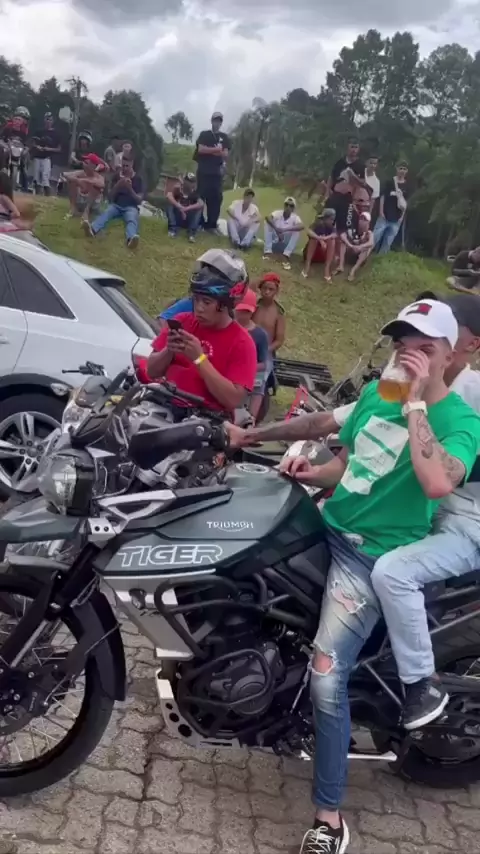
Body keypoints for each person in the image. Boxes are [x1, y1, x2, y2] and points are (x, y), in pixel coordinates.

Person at [227, 296, 480, 853]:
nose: (407, 356)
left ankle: (329, 820)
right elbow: (351, 465)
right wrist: (310, 469)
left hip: (371, 555)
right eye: (401, 345)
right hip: (327, 526)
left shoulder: (461, 421)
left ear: (449, 356)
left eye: (423, 348)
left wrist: (415, 403)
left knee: (327, 674)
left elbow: (438, 481)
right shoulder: (377, 396)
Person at [146, 255, 257, 414]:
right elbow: (151, 372)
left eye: (206, 302)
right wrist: (168, 351)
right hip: (164, 407)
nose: (199, 308)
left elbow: (234, 400)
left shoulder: (242, 343)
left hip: (204, 419)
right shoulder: (182, 321)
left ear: (226, 304)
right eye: (196, 299)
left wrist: (199, 359)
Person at [156, 249, 248, 326]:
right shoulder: (192, 304)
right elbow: (163, 320)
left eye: (207, 302)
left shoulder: (236, 333)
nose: (199, 308)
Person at [83, 155, 142, 248]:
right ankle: (92, 229)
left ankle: (131, 239)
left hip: (131, 207)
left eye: (127, 166)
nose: (124, 168)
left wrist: (130, 189)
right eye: (123, 166)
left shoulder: (138, 179)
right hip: (116, 205)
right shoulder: (116, 176)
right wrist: (118, 185)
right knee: (106, 213)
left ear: (132, 164)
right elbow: (110, 196)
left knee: (131, 219)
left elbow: (139, 200)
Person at [234, 288, 270, 420]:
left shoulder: (260, 335)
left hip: (251, 372)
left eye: (246, 312)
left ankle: (251, 419)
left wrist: (246, 368)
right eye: (240, 311)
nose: (242, 315)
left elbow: (263, 364)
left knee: (258, 384)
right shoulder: (228, 328)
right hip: (230, 372)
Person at [194, 111, 230, 233]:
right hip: (204, 171)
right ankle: (198, 222)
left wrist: (211, 151)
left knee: (216, 199)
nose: (217, 123)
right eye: (215, 120)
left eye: (219, 121)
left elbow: (225, 154)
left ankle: (211, 225)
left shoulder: (224, 137)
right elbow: (200, 149)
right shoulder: (205, 134)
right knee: (200, 196)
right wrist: (216, 150)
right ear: (211, 121)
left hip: (216, 173)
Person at [324, 138, 366, 233]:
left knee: (344, 225)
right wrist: (327, 193)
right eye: (352, 147)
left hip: (348, 198)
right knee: (328, 221)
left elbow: (363, 183)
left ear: (358, 149)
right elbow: (332, 177)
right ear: (347, 147)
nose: (354, 150)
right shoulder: (340, 162)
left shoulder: (360, 165)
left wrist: (353, 175)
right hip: (335, 195)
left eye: (356, 147)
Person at [374, 161, 409, 254]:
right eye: (400, 168)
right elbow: (383, 196)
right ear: (396, 169)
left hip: (397, 218)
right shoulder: (390, 182)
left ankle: (381, 257)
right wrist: (381, 211)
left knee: (388, 241)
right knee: (375, 236)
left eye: (404, 169)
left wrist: (401, 217)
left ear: (407, 171)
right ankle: (365, 254)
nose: (402, 171)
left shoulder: (407, 186)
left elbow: (405, 203)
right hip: (385, 214)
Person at [263, 197, 304, 271]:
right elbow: (268, 217)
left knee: (297, 231)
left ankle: (286, 255)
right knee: (267, 223)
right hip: (275, 240)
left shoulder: (295, 217)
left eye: (291, 206)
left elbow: (302, 226)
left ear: (293, 208)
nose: (288, 207)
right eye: (286, 205)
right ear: (284, 205)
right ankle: (267, 251)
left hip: (285, 242)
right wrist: (277, 230)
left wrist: (284, 230)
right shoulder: (278, 213)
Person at [64, 153, 105, 221]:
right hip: (81, 201)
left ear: (93, 165)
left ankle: (86, 212)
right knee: (72, 181)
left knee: (96, 187)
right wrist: (78, 181)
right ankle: (73, 209)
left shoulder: (99, 176)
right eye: (84, 162)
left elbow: (102, 184)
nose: (83, 164)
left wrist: (85, 181)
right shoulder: (81, 173)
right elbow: (65, 174)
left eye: (86, 163)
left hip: (93, 206)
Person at [30, 112, 61, 196]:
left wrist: (49, 149)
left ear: (53, 121)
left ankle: (47, 194)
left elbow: (59, 149)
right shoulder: (39, 131)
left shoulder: (56, 134)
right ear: (44, 120)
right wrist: (37, 147)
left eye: (50, 120)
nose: (48, 121)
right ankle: (37, 193)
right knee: (36, 177)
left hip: (47, 158)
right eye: (47, 119)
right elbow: (32, 143)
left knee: (45, 176)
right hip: (37, 156)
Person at [166, 173, 204, 242]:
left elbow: (201, 203)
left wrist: (186, 208)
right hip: (178, 217)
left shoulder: (194, 193)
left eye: (191, 183)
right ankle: (172, 230)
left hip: (188, 218)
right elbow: (169, 195)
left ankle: (191, 233)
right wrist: (179, 207)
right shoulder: (177, 188)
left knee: (199, 209)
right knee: (170, 204)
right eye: (188, 182)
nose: (189, 184)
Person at [337, 210, 374, 281]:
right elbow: (342, 235)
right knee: (343, 242)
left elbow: (371, 242)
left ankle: (353, 271)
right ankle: (340, 266)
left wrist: (360, 246)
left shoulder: (369, 233)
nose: (362, 221)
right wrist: (350, 245)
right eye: (361, 219)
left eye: (364, 220)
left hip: (360, 256)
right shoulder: (353, 228)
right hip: (352, 252)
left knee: (367, 248)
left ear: (368, 222)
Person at [301, 208, 336, 281]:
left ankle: (327, 269)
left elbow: (335, 235)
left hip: (323, 254)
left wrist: (325, 238)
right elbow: (308, 231)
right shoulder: (318, 224)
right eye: (331, 219)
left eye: (333, 219)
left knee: (332, 240)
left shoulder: (331, 227)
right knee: (313, 239)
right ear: (326, 218)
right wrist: (319, 239)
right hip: (313, 252)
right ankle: (307, 266)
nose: (332, 221)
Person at [1, 106, 30, 192]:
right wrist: (4, 144)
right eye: (16, 119)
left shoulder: (24, 130)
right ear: (13, 119)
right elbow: (1, 138)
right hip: (8, 147)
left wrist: (26, 148)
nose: (17, 121)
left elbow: (26, 142)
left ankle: (25, 186)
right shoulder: (7, 127)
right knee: (3, 152)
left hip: (19, 150)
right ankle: (3, 168)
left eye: (20, 120)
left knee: (24, 164)